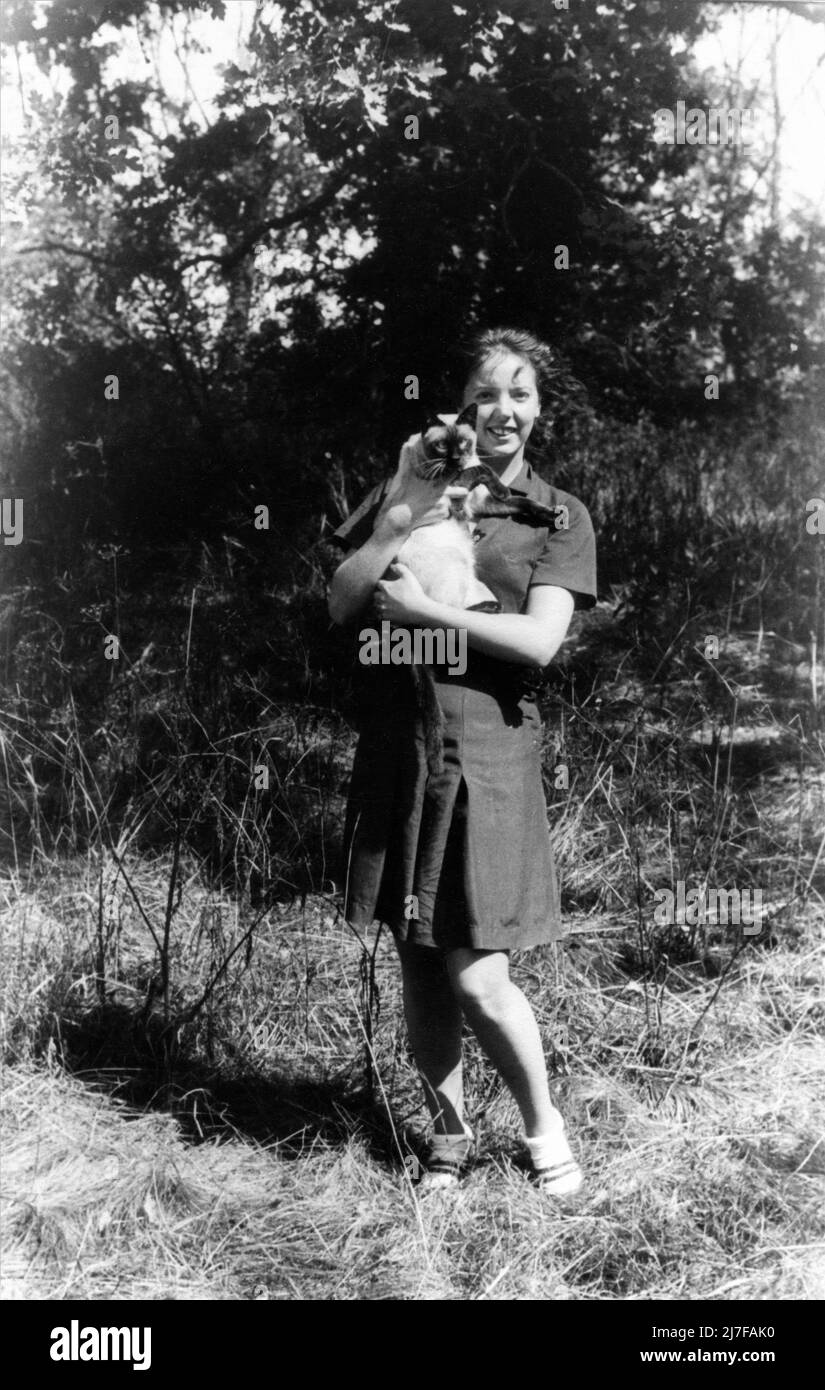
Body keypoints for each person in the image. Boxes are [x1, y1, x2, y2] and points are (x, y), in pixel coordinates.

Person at [327, 327, 597, 1195]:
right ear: (463, 407)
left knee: (478, 974)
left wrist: (424, 617)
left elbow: (540, 642)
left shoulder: (557, 517)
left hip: (488, 753)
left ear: (539, 412)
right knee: (418, 962)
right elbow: (340, 600)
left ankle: (543, 1131)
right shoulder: (413, 486)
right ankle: (447, 1133)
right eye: (487, 393)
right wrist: (399, 514)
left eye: (520, 394)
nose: (502, 410)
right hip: (402, 749)